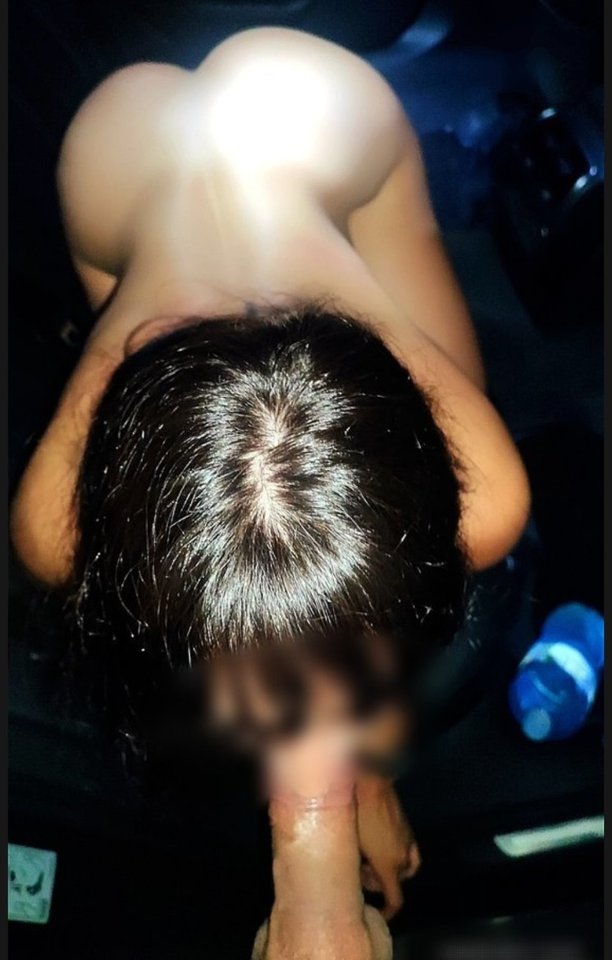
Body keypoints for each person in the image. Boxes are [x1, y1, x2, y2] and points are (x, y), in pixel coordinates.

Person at [10, 24, 530, 937]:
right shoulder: (57, 525)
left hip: (274, 123)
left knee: (398, 261)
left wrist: (354, 798)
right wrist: (343, 806)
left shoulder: (483, 490)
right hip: (134, 156)